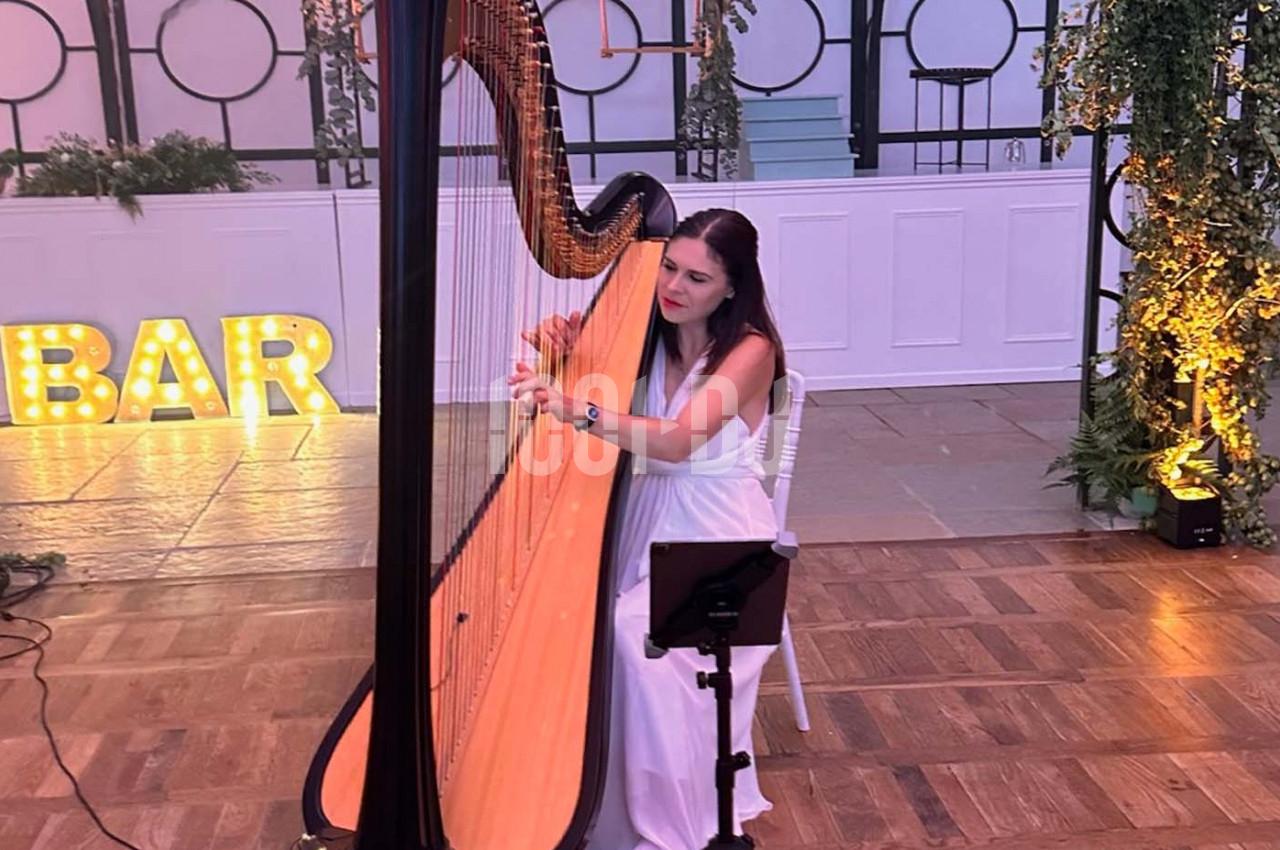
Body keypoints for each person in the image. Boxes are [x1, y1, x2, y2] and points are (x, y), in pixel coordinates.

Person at [508, 208, 786, 850]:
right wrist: (561, 359)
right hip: (644, 521)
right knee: (573, 625)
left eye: (696, 277)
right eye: (668, 267)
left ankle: (666, 823)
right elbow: (582, 411)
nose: (674, 287)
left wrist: (578, 409)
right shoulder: (642, 335)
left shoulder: (751, 350)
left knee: (636, 639)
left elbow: (678, 442)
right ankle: (577, 800)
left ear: (730, 288)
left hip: (718, 535)